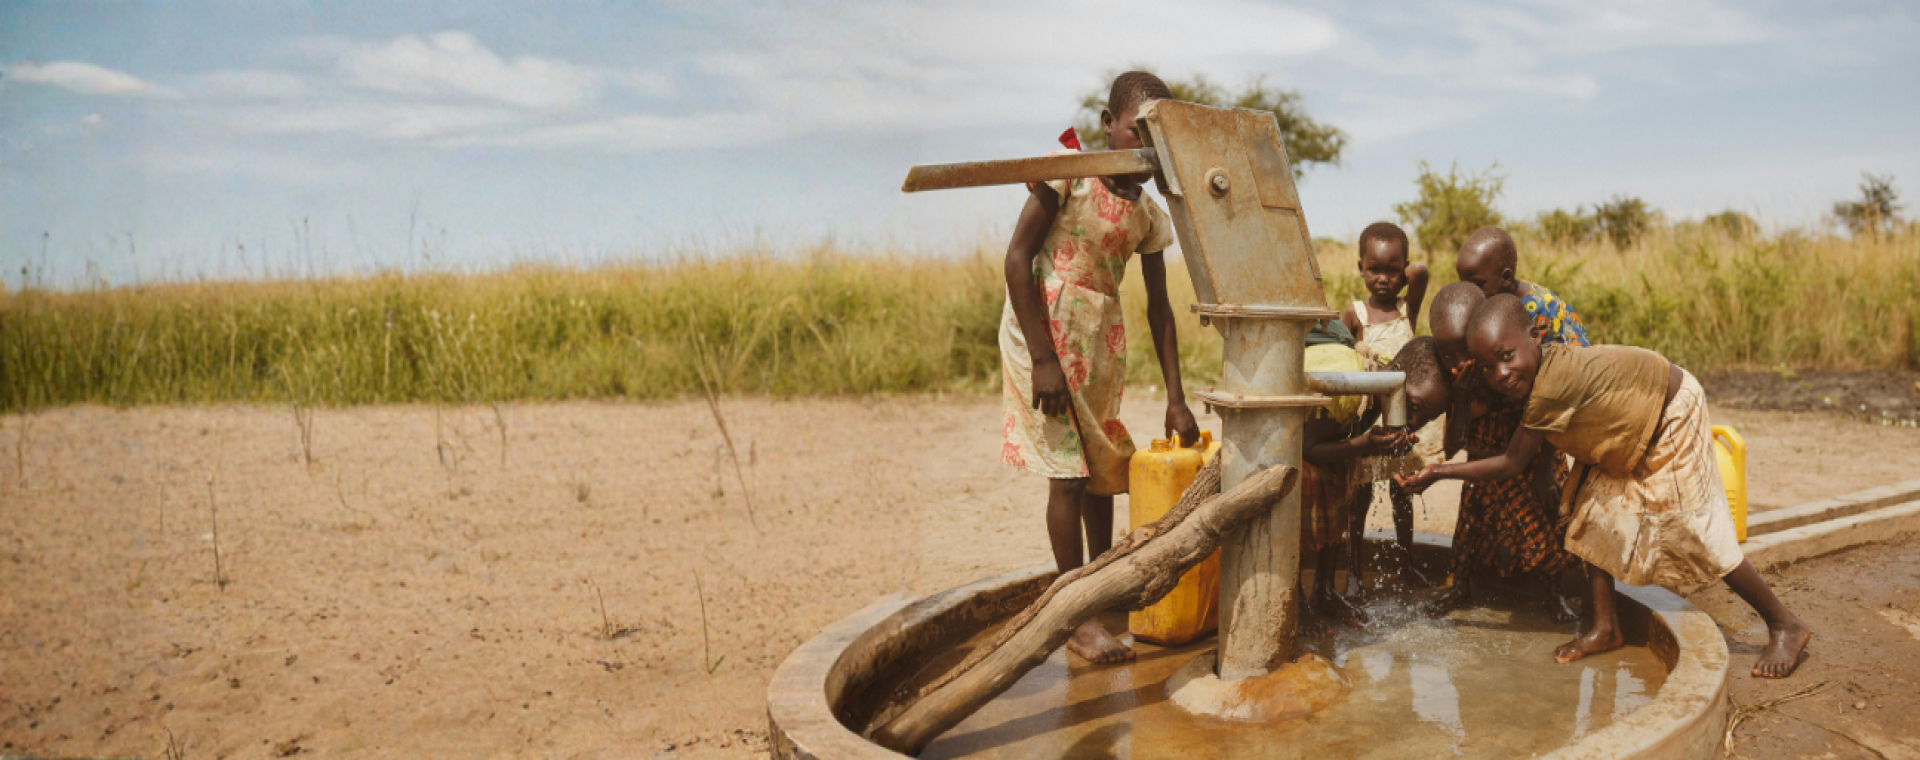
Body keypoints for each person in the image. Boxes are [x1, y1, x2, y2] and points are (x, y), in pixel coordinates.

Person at [1398, 295, 1813, 678]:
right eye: (1488, 367)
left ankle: (1784, 623)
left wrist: (1436, 473)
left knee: (1696, 530)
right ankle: (1606, 628)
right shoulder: (1543, 368)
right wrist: (1544, 470)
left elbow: (1510, 462)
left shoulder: (1551, 384)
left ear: (1535, 337)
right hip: (1631, 427)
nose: (1500, 374)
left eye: (1506, 357)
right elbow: (1548, 430)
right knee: (1586, 520)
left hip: (1670, 414)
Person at [998, 71, 1200, 664]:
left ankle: (1100, 586)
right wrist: (1041, 359)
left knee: (1103, 469)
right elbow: (1016, 259)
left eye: (1156, 137)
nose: (1144, 146)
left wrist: (1175, 396)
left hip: (1099, 345)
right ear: (1107, 124)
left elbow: (1159, 308)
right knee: (1067, 473)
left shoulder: (1150, 214)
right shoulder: (1069, 174)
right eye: (1136, 130)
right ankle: (1075, 615)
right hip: (1042, 334)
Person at [1425, 282, 1580, 622]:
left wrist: (1542, 473)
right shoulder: (1461, 379)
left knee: (1547, 523)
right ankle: (1461, 585)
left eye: (1464, 350)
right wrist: (1462, 398)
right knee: (1470, 528)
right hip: (1483, 466)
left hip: (1533, 458)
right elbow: (1454, 444)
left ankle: (1554, 592)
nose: (1460, 362)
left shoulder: (1508, 366)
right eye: (1449, 354)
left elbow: (1550, 418)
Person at [1338, 222, 1435, 597]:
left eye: (1392, 270)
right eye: (1373, 269)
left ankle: (1406, 564)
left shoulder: (1407, 311)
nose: (1382, 278)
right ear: (1359, 268)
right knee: (1359, 498)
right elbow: (1342, 362)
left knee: (1402, 495)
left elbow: (1421, 273)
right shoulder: (1355, 315)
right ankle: (1355, 572)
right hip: (1368, 423)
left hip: (1402, 423)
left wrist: (1404, 271)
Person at [1299, 341, 1412, 636]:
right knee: (1299, 514)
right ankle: (1294, 603)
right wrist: (1363, 444)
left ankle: (1323, 592)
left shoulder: (1389, 370)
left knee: (1339, 482)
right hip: (1289, 444)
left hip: (1319, 435)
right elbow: (1307, 448)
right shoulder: (1352, 390)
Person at [1453, 226, 1589, 347]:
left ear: (1506, 278)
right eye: (1465, 285)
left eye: (1478, 285)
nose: (1469, 293)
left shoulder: (1543, 311)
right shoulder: (1494, 296)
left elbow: (1572, 359)